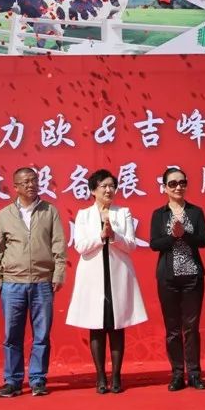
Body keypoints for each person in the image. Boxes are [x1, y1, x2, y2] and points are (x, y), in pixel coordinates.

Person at [66, 169, 147, 394]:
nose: (109, 190)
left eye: (112, 186)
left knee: (117, 326)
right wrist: (100, 236)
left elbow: (131, 244)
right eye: (104, 186)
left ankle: (117, 376)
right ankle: (100, 376)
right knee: (97, 326)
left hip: (118, 275)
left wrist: (113, 236)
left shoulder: (123, 212)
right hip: (93, 277)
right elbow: (80, 246)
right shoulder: (84, 215)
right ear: (93, 190)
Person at [0, 168, 66, 398]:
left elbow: (59, 246)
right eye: (25, 182)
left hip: (42, 282)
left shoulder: (49, 211)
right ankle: (12, 381)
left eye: (34, 180)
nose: (31, 185)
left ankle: (38, 379)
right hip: (12, 283)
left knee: (41, 335)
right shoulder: (4, 215)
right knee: (12, 336)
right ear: (15, 187)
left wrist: (58, 275)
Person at [150, 167, 205, 391]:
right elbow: (155, 244)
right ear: (164, 187)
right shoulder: (159, 214)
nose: (178, 187)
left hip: (192, 276)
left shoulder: (195, 211)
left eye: (182, 183)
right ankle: (177, 374)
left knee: (191, 327)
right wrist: (173, 236)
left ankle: (194, 373)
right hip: (168, 277)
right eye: (173, 183)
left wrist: (185, 234)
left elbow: (203, 241)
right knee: (173, 328)